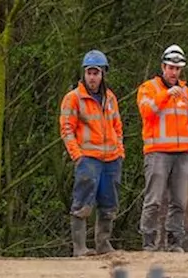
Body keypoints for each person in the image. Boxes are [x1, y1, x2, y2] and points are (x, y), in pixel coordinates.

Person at [60, 49, 124, 257]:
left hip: (111, 159)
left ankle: (103, 243)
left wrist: (120, 150)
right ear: (84, 74)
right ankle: (79, 247)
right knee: (82, 203)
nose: (93, 77)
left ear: (103, 74)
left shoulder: (110, 98)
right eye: (89, 72)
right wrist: (77, 155)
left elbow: (117, 126)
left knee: (109, 203)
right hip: (88, 158)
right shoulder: (73, 98)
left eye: (96, 73)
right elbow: (67, 129)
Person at [137, 44, 188, 252]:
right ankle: (148, 241)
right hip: (157, 152)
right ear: (163, 67)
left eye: (177, 68)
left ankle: (174, 242)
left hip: (182, 152)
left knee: (179, 201)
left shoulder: (186, 93)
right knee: (153, 199)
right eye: (170, 67)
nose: (174, 72)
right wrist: (166, 95)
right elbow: (147, 111)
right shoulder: (148, 88)